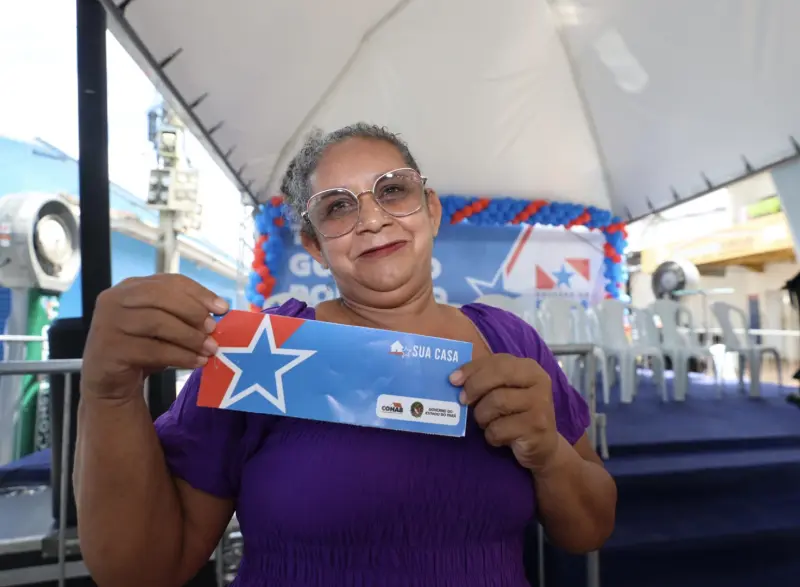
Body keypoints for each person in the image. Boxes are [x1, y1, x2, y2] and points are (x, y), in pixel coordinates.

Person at [74, 123, 616, 587]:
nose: (373, 219)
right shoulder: (256, 350)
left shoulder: (509, 341)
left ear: (430, 209)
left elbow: (589, 530)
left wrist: (550, 455)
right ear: (314, 245)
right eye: (338, 207)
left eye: (393, 191)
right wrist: (109, 392)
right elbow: (143, 569)